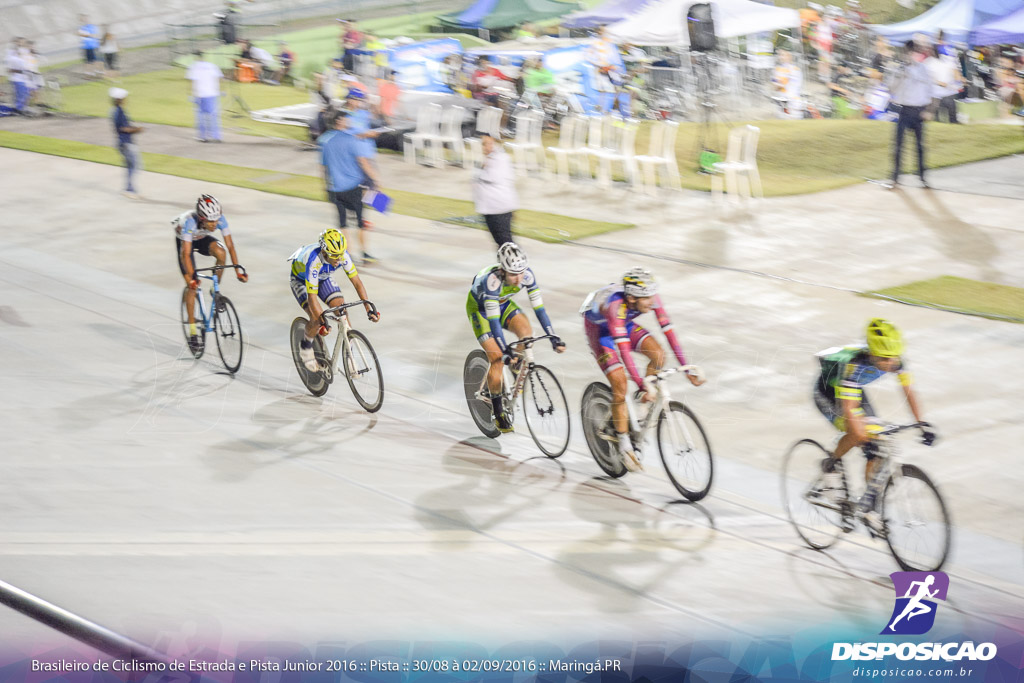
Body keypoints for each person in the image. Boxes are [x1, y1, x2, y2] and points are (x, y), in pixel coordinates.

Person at [813, 319, 937, 532]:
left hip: (854, 391)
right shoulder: (854, 367)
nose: (890, 363)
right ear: (872, 354)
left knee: (877, 449)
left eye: (893, 358)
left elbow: (909, 392)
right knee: (857, 433)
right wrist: (861, 434)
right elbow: (850, 408)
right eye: (884, 359)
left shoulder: (897, 361)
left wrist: (921, 423)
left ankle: (868, 507)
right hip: (828, 392)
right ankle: (830, 463)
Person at [581, 267, 704, 472]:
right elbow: (624, 353)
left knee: (658, 355)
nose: (651, 301)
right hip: (601, 331)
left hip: (623, 324)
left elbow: (669, 333)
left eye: (651, 295)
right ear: (631, 298)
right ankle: (624, 444)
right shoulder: (615, 306)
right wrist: (642, 383)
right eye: (645, 298)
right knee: (620, 382)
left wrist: (686, 368)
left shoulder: (650, 298)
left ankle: (639, 407)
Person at [466, 243, 565, 433]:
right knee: (496, 358)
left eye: (521, 272)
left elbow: (540, 310)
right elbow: (494, 324)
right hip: (481, 311)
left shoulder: (527, 275)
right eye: (513, 274)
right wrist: (504, 350)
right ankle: (498, 413)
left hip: (502, 304)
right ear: (503, 270)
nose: (519, 278)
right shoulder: (492, 281)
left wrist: (554, 336)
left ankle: (514, 365)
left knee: (527, 333)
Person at [289, 229, 379, 371]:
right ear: (325, 252)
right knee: (316, 319)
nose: (339, 259)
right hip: (300, 281)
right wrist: (322, 321)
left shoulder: (342, 255)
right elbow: (312, 298)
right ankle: (306, 347)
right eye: (335, 256)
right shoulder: (315, 261)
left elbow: (357, 282)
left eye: (340, 255)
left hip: (323, 277)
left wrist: (368, 307)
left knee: (342, 310)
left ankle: (349, 356)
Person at [173, 195, 247, 353]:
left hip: (200, 237)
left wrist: (237, 271)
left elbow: (230, 246)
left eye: (216, 220)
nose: (214, 224)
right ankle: (193, 332)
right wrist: (192, 279)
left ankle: (215, 290)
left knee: (221, 253)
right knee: (192, 287)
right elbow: (186, 254)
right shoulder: (190, 222)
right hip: (185, 242)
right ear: (201, 218)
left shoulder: (220, 219)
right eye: (210, 221)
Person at [319, 109, 382, 264]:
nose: (349, 122)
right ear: (339, 121)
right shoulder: (351, 139)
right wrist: (376, 180)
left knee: (343, 223)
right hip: (353, 187)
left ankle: (347, 255)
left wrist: (325, 186)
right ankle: (364, 254)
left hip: (334, 188)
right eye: (347, 119)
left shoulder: (324, 140)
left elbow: (323, 167)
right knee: (360, 222)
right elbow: (363, 162)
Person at [888, 37, 933, 189]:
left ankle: (922, 177)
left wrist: (928, 110)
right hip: (904, 110)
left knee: (920, 147)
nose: (910, 55)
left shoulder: (923, 69)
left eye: (913, 52)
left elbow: (929, 91)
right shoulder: (898, 69)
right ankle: (895, 178)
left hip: (919, 111)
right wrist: (901, 73)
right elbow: (891, 89)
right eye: (908, 52)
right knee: (898, 146)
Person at [472, 132, 518, 247]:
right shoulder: (490, 159)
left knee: (506, 243)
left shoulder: (500, 159)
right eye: (483, 144)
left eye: (489, 143)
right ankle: (505, 264)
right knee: (501, 243)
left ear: (496, 144)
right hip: (491, 209)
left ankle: (517, 264)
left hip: (500, 209)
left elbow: (493, 177)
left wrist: (480, 171)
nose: (485, 147)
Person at [110, 88, 143, 199]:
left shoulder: (115, 111)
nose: (125, 99)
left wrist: (134, 128)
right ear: (119, 99)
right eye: (123, 98)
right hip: (126, 143)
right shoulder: (119, 111)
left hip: (123, 143)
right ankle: (129, 189)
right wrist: (137, 129)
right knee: (134, 166)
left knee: (131, 166)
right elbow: (123, 128)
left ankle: (130, 189)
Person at [186, 51, 224, 143]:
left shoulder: (193, 67)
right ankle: (216, 136)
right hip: (213, 94)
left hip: (200, 95)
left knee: (201, 116)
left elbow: (191, 82)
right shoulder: (212, 65)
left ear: (195, 57)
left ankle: (203, 137)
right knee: (214, 116)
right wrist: (220, 91)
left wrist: (190, 94)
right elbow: (220, 78)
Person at [926, 46, 961, 123]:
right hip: (935, 93)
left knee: (952, 113)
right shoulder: (930, 62)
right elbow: (930, 78)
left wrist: (958, 81)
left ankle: (953, 122)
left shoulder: (949, 60)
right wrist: (943, 84)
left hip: (948, 92)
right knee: (933, 116)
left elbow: (956, 72)